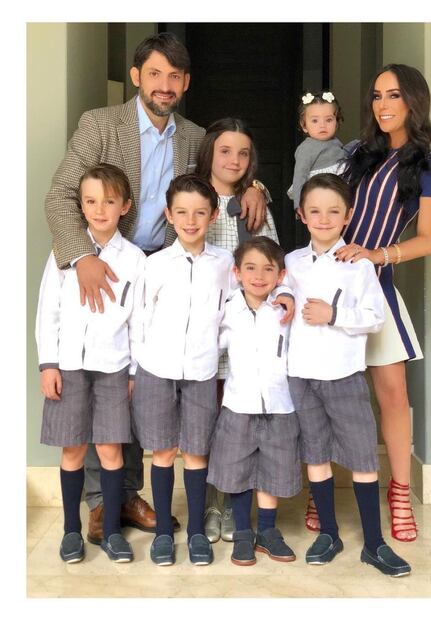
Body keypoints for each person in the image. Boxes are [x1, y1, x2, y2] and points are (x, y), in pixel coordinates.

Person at [44, 32, 269, 544]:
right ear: (136, 76)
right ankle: (103, 502)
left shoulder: (193, 136)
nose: (164, 85)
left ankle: (127, 494)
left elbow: (224, 174)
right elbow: (59, 196)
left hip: (167, 266)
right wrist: (84, 257)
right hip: (109, 262)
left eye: (174, 76)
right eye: (155, 74)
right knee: (106, 377)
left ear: (185, 83)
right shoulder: (100, 125)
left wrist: (255, 186)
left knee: (139, 387)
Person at [335, 63, 431, 542]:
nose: (382, 105)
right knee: (330, 393)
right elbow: (316, 196)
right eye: (377, 95)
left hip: (376, 285)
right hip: (329, 285)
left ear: (414, 101)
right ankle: (323, 492)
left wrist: (376, 254)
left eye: (394, 95)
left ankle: (399, 493)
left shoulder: (430, 165)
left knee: (393, 396)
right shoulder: (356, 153)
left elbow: (428, 240)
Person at [286, 173, 411, 577]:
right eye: (315, 211)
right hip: (302, 374)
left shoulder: (359, 265)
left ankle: (374, 543)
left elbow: (375, 318)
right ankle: (330, 534)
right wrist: (284, 297)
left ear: (348, 216)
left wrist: (333, 314)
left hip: (343, 374)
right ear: (302, 215)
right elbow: (280, 294)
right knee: (316, 454)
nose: (323, 219)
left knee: (361, 455)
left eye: (333, 211)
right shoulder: (292, 262)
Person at [36, 164, 145, 563]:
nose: (100, 210)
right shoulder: (64, 253)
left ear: (124, 206)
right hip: (69, 366)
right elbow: (48, 311)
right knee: (73, 450)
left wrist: (133, 371)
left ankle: (112, 532)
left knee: (111, 450)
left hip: (114, 367)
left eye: (109, 201)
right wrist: (48, 364)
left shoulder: (135, 259)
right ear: (81, 206)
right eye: (91, 201)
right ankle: (71, 531)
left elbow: (138, 322)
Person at [131, 174, 235, 566]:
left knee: (196, 451)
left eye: (200, 213)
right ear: (169, 215)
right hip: (157, 369)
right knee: (162, 451)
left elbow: (232, 312)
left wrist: (215, 346)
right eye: (182, 212)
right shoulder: (155, 264)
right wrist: (138, 366)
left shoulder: (224, 263)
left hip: (202, 371)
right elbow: (140, 318)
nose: (191, 221)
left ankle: (195, 533)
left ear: (213, 216)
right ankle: (163, 533)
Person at [195, 117, 280, 542]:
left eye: (243, 153)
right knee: (210, 422)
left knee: (241, 425)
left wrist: (258, 188)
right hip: (207, 330)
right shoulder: (195, 201)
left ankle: (234, 502)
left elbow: (273, 262)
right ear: (209, 152)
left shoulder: (256, 204)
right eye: (225, 151)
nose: (234, 160)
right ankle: (212, 502)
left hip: (248, 334)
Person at [207, 236, 300, 566]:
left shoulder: (285, 309)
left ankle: (268, 531)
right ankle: (243, 532)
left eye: (268, 269)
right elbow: (212, 343)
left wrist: (287, 294)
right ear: (237, 273)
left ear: (280, 275)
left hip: (280, 404)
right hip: (239, 403)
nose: (259, 276)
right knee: (238, 469)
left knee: (273, 469)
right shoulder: (228, 308)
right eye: (250, 268)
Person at [288, 90, 347, 212]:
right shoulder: (306, 148)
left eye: (329, 120)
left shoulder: (336, 143)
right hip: (318, 193)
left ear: (336, 123)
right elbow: (299, 176)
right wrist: (299, 205)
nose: (322, 125)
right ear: (304, 126)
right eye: (315, 121)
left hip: (338, 192)